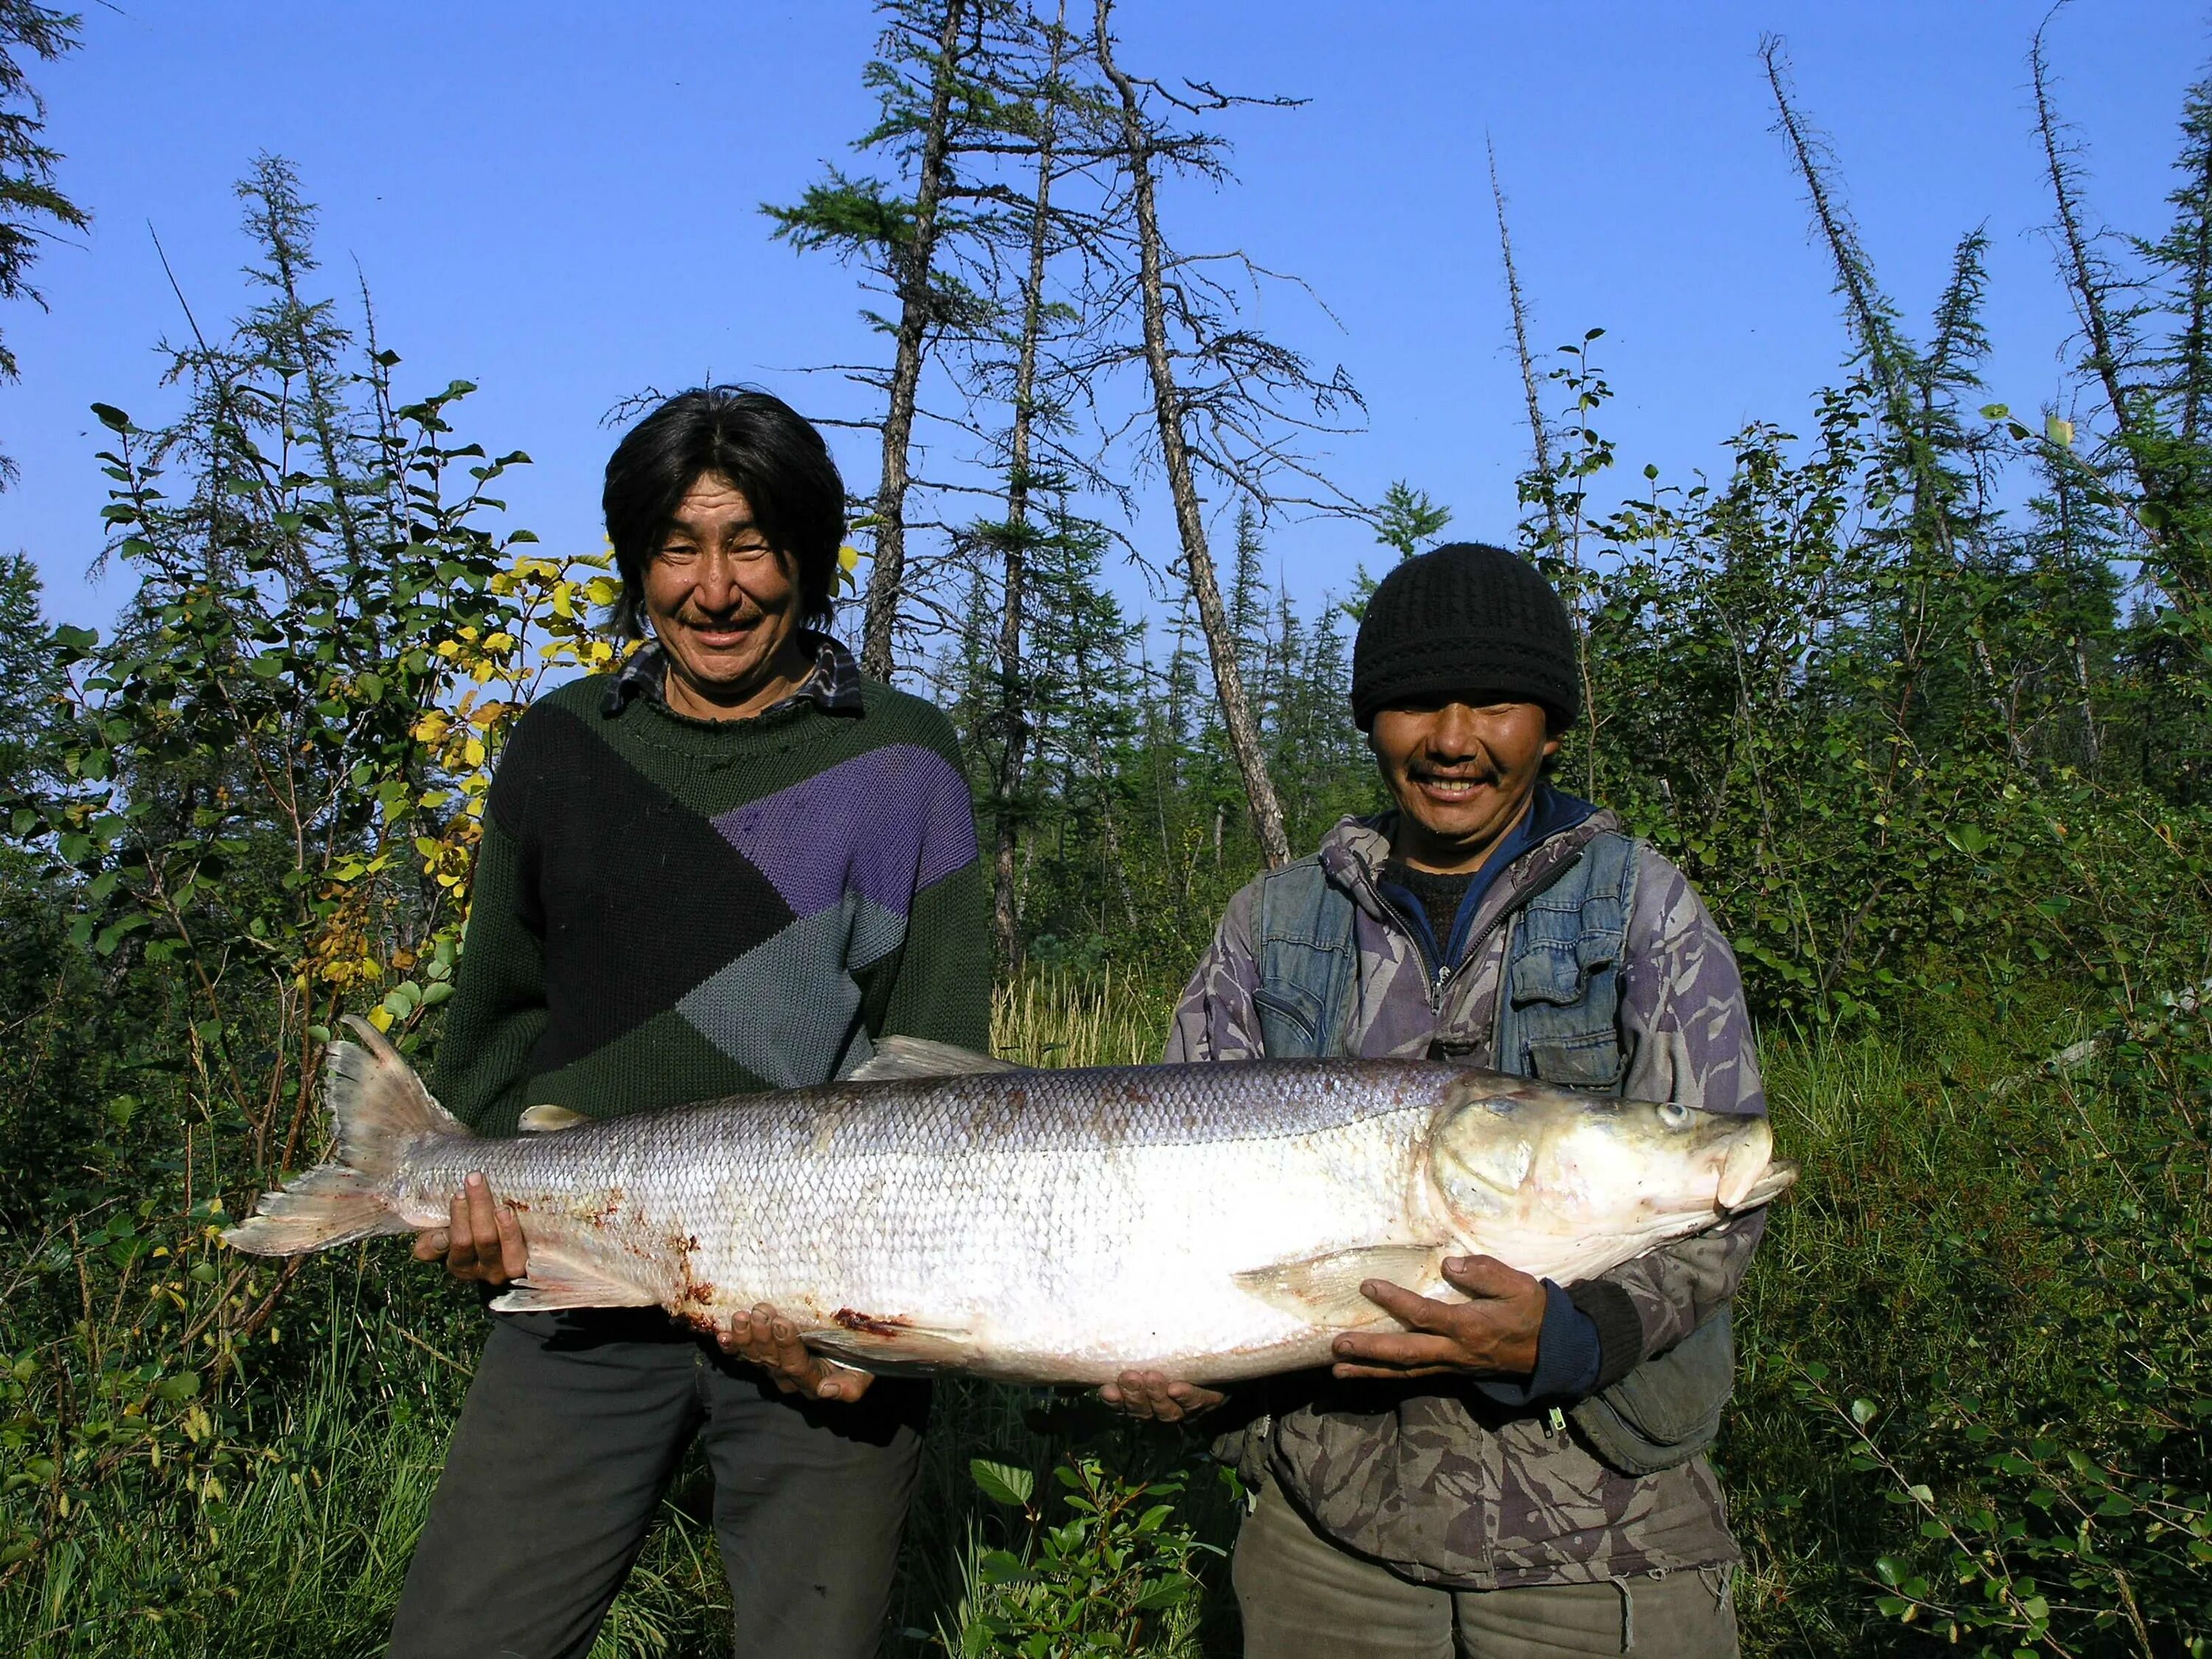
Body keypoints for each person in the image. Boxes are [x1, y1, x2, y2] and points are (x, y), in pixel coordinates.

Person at [386, 386, 992, 1659]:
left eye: (753, 546)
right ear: (637, 563)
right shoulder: (561, 749)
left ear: (811, 563)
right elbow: (498, 1018)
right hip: (584, 1296)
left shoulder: (904, 764)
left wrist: (877, 1336)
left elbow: (940, 1076)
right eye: (678, 546)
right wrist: (473, 1208)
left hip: (822, 1320)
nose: (715, 589)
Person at [1105, 543, 1767, 1658]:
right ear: (1373, 722)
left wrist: (1571, 1335)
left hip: (1600, 1536)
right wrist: (1184, 1374)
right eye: (1417, 701)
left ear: (1550, 726)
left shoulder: (1641, 908)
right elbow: (1170, 1191)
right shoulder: (1269, 925)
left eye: (1495, 703)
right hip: (1331, 1537)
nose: (1453, 739)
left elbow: (1726, 1200)